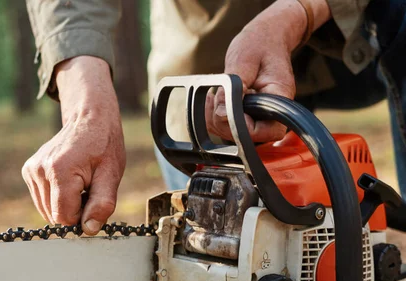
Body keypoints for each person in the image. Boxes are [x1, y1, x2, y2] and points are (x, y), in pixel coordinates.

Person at [22, 0, 406, 235]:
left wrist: (296, 14)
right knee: (212, 234)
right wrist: (86, 104)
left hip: (356, 32)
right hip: (210, 65)